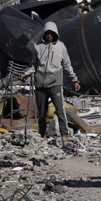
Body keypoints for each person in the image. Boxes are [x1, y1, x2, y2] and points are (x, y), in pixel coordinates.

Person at [21, 22, 80, 150]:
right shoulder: (37, 46)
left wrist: (74, 80)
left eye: (51, 34)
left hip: (55, 83)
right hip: (40, 84)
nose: (49, 36)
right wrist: (26, 74)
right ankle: (42, 135)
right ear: (44, 34)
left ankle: (64, 137)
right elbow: (34, 65)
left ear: (55, 34)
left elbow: (67, 65)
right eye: (47, 34)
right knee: (42, 112)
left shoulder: (61, 47)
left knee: (60, 110)